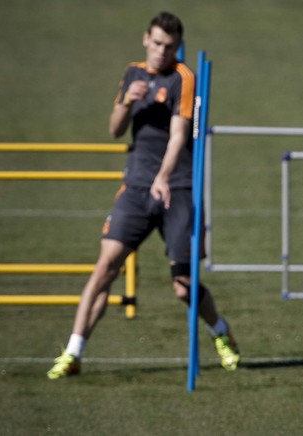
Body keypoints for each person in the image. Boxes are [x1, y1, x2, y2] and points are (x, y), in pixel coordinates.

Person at [47, 12, 240, 379]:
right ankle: (73, 353)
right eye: (156, 44)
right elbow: (115, 130)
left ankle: (221, 334)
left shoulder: (183, 78)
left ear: (176, 46)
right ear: (145, 40)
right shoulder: (133, 73)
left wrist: (164, 177)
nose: (161, 52)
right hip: (136, 187)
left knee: (184, 288)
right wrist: (126, 103)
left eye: (168, 46)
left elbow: (180, 135)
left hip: (177, 188)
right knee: (104, 269)